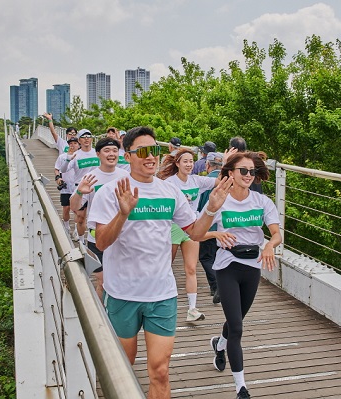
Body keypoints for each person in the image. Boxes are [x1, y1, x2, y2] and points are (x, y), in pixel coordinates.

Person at [88, 126, 233, 399]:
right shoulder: (111, 192)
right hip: (122, 294)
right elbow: (103, 243)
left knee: (160, 372)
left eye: (154, 150)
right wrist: (123, 213)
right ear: (127, 156)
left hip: (162, 294)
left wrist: (212, 208)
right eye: (141, 151)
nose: (150, 156)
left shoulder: (169, 192)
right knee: (122, 371)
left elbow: (195, 233)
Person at [205, 151, 282, 399]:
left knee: (235, 320)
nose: (249, 175)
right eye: (243, 171)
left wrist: (270, 245)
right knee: (237, 326)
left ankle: (219, 343)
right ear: (230, 173)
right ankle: (241, 388)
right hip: (227, 265)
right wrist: (217, 235)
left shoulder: (262, 202)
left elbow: (276, 233)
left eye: (252, 171)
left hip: (252, 267)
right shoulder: (219, 200)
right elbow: (195, 231)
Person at [157, 148, 220, 322]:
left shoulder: (197, 180)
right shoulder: (169, 183)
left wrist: (227, 163)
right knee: (164, 267)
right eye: (185, 161)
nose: (189, 164)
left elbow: (220, 182)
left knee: (191, 269)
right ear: (177, 163)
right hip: (173, 227)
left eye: (191, 161)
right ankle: (159, 302)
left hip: (191, 227)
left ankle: (192, 309)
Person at [69, 137, 129, 300]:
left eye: (115, 151)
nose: (111, 154)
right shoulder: (90, 178)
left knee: (120, 281)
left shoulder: (126, 176)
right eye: (107, 151)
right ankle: (102, 321)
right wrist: (80, 192)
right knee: (102, 282)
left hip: (122, 238)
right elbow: (74, 207)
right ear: (98, 154)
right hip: (96, 237)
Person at [59, 129, 100, 242]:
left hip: (96, 188)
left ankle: (95, 240)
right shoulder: (76, 155)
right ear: (79, 140)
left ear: (92, 139)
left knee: (97, 217)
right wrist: (68, 159)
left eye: (89, 136)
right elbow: (63, 169)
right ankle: (82, 241)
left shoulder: (98, 152)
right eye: (83, 136)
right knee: (81, 218)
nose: (86, 138)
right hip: (80, 188)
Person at [196, 152, 224, 304]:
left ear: (207, 165)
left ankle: (218, 285)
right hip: (225, 226)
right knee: (219, 256)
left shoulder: (207, 182)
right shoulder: (228, 180)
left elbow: (200, 205)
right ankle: (216, 287)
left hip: (209, 225)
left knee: (206, 257)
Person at [54, 136, 81, 235]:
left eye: (75, 143)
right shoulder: (62, 157)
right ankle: (66, 226)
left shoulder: (81, 157)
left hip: (77, 187)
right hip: (66, 187)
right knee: (66, 208)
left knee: (78, 210)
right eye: (70, 143)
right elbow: (57, 169)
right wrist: (58, 178)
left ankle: (77, 230)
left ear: (79, 145)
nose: (72, 145)